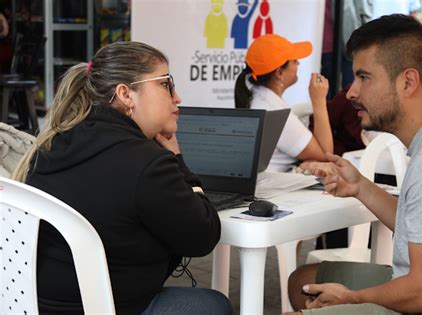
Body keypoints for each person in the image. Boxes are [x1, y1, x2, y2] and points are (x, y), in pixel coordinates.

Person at [12, 41, 232, 315]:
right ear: (126, 94)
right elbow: (203, 236)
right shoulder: (147, 163)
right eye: (166, 84)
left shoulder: (53, 143)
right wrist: (178, 160)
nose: (177, 97)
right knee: (212, 304)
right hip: (107, 307)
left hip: (33, 305)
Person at [287, 14, 422, 315]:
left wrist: (351, 298)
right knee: (303, 281)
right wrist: (361, 187)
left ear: (408, 82)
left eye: (364, 77)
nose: (351, 92)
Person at [234, 34, 333, 172]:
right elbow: (326, 155)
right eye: (294, 60)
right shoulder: (273, 109)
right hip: (271, 190)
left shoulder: (258, 97)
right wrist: (319, 100)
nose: (298, 62)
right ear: (279, 73)